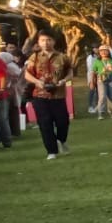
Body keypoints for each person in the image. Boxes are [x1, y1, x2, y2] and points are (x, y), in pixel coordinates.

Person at [24, 31, 71, 160]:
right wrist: (37, 82)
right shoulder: (34, 57)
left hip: (58, 95)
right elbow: (27, 74)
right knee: (45, 123)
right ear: (39, 43)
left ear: (54, 41)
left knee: (63, 122)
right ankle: (51, 151)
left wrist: (64, 80)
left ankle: (61, 140)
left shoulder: (63, 57)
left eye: (49, 39)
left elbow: (70, 72)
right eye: (43, 40)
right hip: (40, 95)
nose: (46, 42)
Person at [89, 45, 112, 119]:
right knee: (102, 97)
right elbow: (93, 72)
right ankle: (100, 114)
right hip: (101, 80)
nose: (104, 52)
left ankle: (110, 112)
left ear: (109, 52)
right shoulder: (97, 61)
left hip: (111, 80)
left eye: (105, 50)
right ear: (99, 52)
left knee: (111, 97)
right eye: (101, 51)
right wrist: (92, 82)